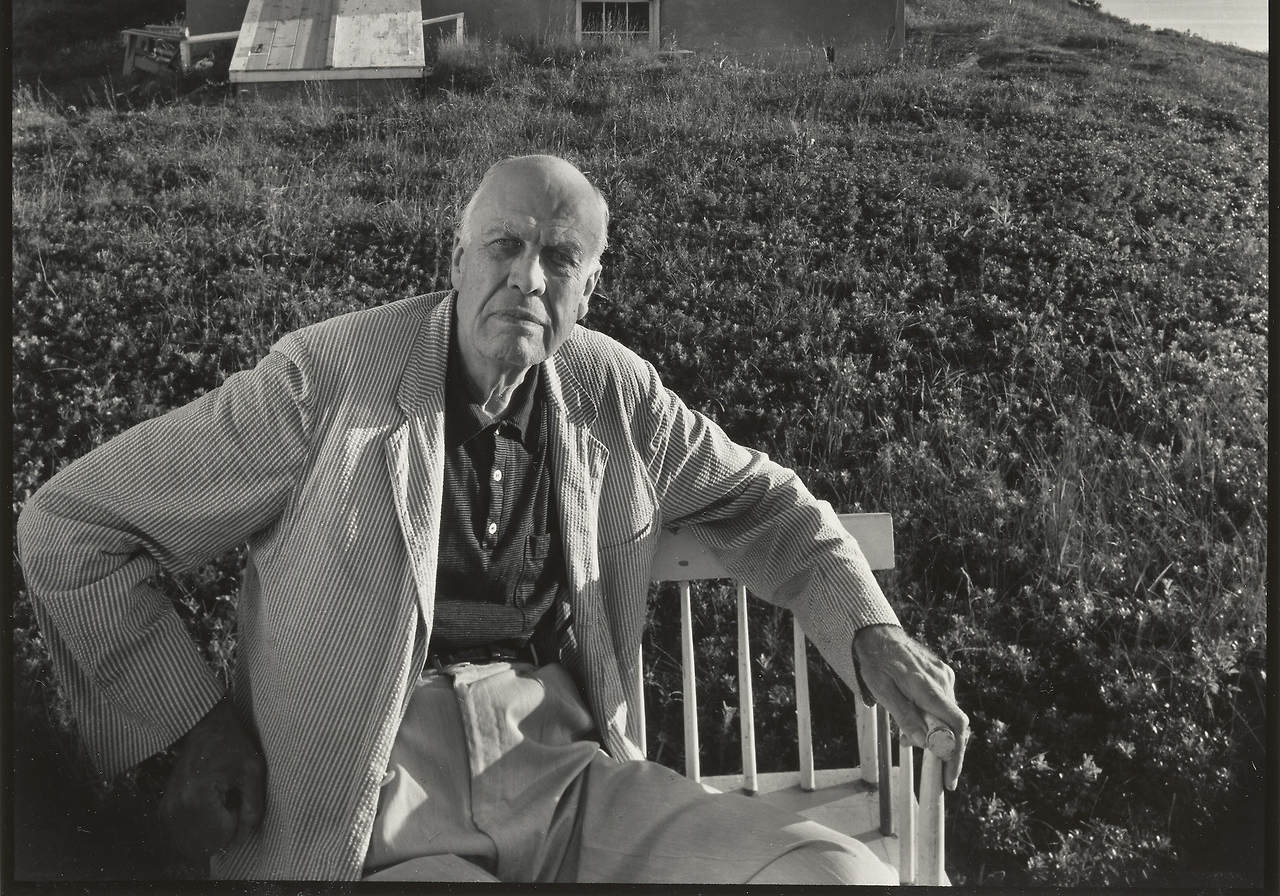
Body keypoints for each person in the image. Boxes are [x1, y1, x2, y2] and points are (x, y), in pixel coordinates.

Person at [18, 155, 969, 884]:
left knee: (835, 873)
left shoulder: (615, 391)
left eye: (560, 258)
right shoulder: (327, 382)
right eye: (504, 246)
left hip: (567, 776)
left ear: (590, 286)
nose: (528, 278)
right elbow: (70, 523)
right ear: (458, 257)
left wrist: (870, 630)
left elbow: (765, 503)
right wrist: (195, 721)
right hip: (375, 796)